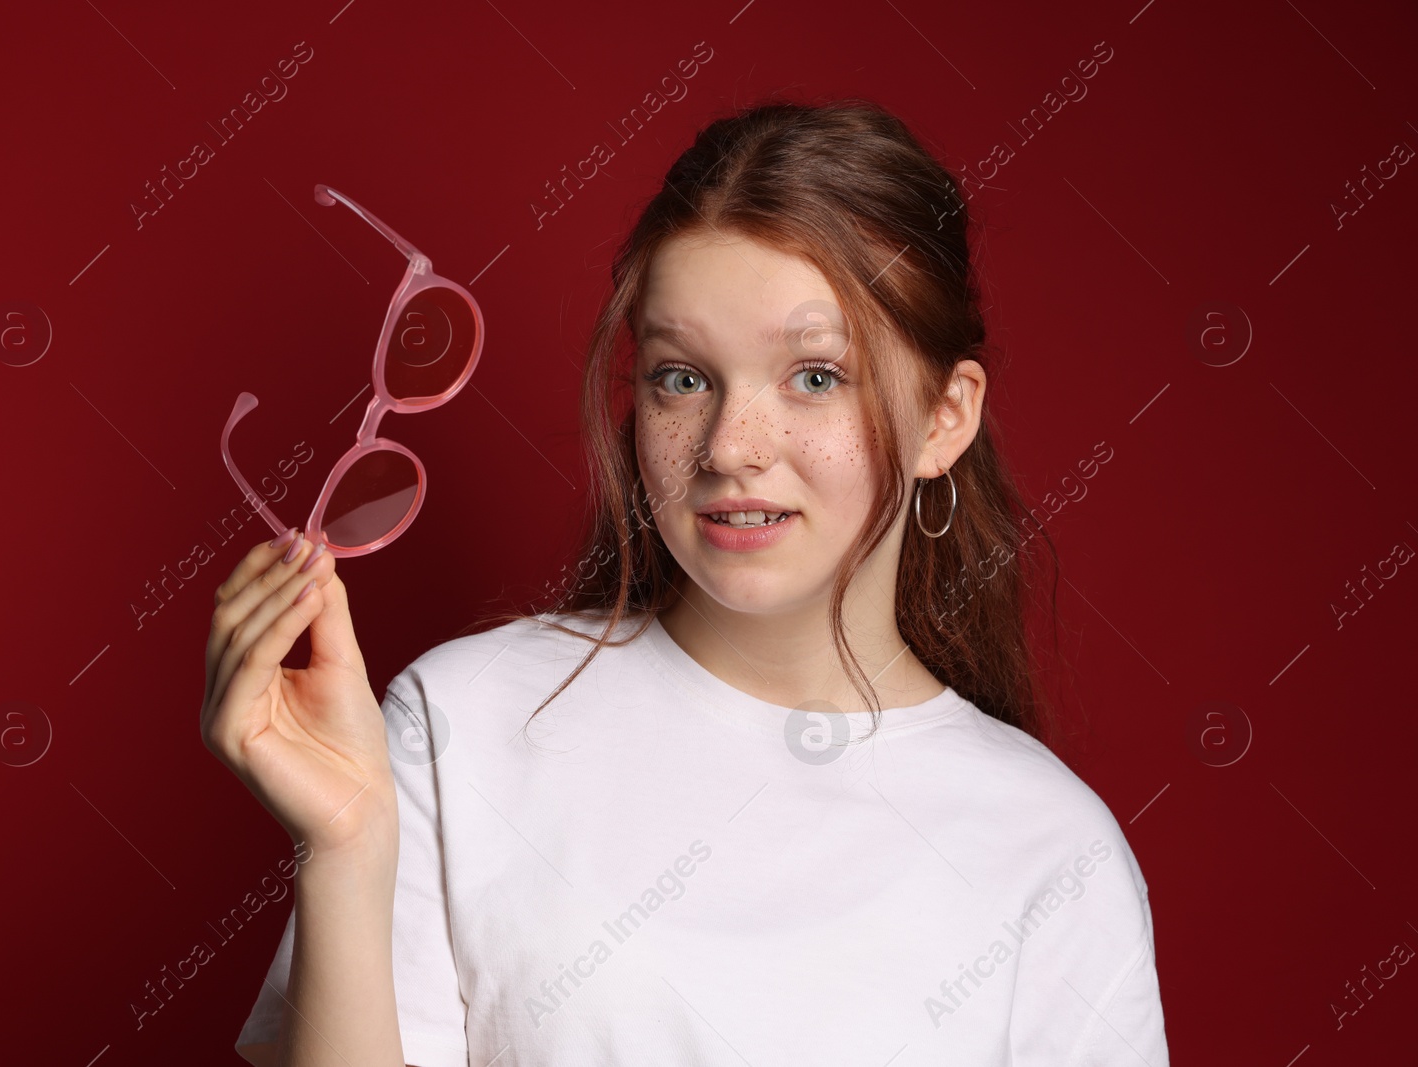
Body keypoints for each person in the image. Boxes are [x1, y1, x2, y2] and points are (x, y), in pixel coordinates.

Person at [203, 96, 1169, 1067]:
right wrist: (345, 848)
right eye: (682, 377)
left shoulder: (1052, 851)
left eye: (815, 376)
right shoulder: (460, 724)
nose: (731, 447)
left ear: (944, 418)